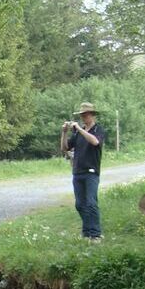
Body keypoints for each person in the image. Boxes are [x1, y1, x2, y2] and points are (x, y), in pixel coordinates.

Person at [61, 102, 105, 241]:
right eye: (82, 115)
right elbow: (65, 148)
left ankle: (96, 234)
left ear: (92, 115)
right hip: (77, 171)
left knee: (91, 203)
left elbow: (95, 142)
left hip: (91, 171)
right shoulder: (77, 132)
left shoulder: (98, 129)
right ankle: (87, 233)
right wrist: (64, 133)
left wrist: (79, 129)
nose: (84, 117)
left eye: (86, 114)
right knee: (80, 204)